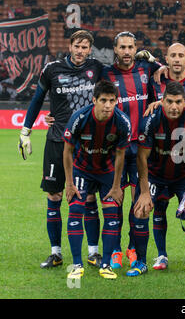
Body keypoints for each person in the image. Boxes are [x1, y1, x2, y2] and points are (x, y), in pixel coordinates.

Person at [18, 30, 104, 269]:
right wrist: (26, 130)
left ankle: (94, 252)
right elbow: (37, 100)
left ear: (90, 49)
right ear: (70, 46)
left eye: (85, 47)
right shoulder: (52, 69)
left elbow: (122, 72)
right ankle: (56, 253)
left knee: (88, 197)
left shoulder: (96, 68)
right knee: (54, 196)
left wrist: (153, 62)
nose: (80, 51)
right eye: (77, 46)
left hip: (87, 143)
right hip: (57, 140)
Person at [130, 81, 185, 277]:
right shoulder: (151, 120)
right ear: (162, 101)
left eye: (178, 102)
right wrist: (145, 192)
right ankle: (142, 261)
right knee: (140, 210)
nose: (174, 106)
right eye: (169, 101)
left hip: (183, 176)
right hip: (155, 175)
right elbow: (141, 157)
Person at [100, 31, 162, 270]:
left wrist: (155, 60)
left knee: (139, 201)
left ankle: (133, 247)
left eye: (130, 47)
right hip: (115, 148)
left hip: (141, 147)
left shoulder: (146, 69)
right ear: (115, 49)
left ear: (136, 48)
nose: (126, 52)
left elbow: (164, 73)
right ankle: (114, 249)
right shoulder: (105, 74)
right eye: (122, 47)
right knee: (114, 200)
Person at [146, 43, 185, 270]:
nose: (176, 59)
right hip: (160, 159)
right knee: (154, 209)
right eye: (172, 55)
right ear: (166, 58)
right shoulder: (155, 79)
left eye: (181, 55)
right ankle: (160, 255)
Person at [63, 80, 132, 280]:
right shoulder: (80, 118)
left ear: (116, 101)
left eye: (112, 101)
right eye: (103, 100)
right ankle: (77, 264)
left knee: (112, 215)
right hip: (82, 170)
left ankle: (106, 265)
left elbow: (121, 155)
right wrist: (69, 183)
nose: (108, 105)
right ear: (94, 100)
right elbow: (67, 151)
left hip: (107, 172)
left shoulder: (122, 122)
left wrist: (117, 185)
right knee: (76, 210)